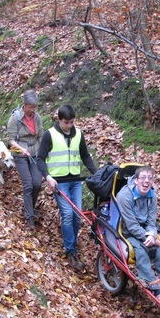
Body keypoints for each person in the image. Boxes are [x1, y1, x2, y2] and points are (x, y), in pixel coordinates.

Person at [37, 104, 97, 271]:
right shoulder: (50, 135)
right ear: (59, 120)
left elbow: (85, 155)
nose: (69, 126)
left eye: (72, 122)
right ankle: (71, 251)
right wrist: (48, 177)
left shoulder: (78, 134)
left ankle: (73, 244)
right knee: (68, 215)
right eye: (66, 123)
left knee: (77, 215)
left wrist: (95, 173)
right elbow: (40, 158)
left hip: (76, 181)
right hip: (59, 182)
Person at [115, 165, 160, 306]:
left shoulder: (152, 196)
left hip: (145, 232)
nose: (146, 181)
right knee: (141, 252)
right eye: (143, 178)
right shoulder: (125, 196)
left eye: (150, 178)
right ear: (136, 180)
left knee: (159, 251)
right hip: (126, 231)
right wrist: (148, 238)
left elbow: (152, 221)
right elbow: (131, 225)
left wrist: (152, 235)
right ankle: (156, 290)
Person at [7, 90, 44, 230]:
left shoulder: (37, 118)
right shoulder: (15, 118)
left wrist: (43, 151)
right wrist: (21, 149)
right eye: (30, 107)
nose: (32, 110)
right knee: (28, 184)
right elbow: (10, 140)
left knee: (37, 183)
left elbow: (41, 135)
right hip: (20, 153)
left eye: (34, 107)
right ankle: (30, 218)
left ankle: (31, 207)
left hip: (34, 154)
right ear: (24, 105)